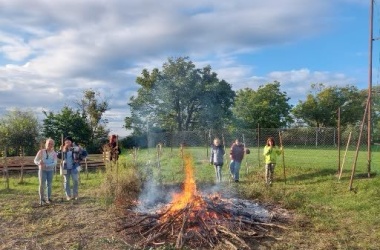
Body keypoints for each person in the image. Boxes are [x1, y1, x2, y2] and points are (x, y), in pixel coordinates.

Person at [57, 136, 87, 200]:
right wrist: (61, 150)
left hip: (75, 167)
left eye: (69, 140)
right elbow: (58, 156)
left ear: (71, 142)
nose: (67, 141)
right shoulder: (62, 148)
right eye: (66, 141)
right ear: (64, 142)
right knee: (66, 181)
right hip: (65, 168)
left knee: (75, 180)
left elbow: (85, 154)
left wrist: (79, 159)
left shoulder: (75, 148)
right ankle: (68, 195)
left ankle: (75, 195)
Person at [34, 138, 57, 205]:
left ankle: (48, 198)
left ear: (53, 145)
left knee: (49, 184)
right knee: (42, 184)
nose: (50, 145)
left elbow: (55, 162)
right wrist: (39, 163)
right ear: (46, 144)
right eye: (49, 143)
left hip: (50, 170)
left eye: (51, 144)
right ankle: (42, 199)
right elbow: (35, 160)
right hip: (42, 170)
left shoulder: (54, 153)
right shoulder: (41, 151)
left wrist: (46, 165)